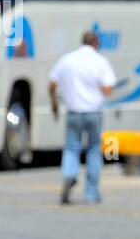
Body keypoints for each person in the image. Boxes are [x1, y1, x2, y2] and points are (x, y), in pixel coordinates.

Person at [48, 30, 116, 205]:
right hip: (94, 112)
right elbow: (108, 90)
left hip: (73, 112)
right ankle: (91, 194)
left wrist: (55, 104)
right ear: (96, 44)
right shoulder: (101, 61)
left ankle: (70, 175)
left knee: (71, 148)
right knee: (93, 150)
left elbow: (52, 84)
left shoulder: (68, 59)